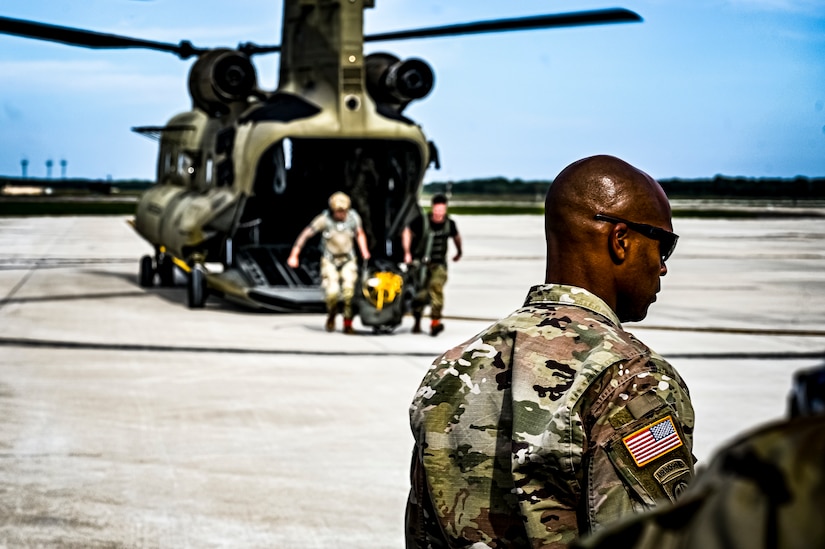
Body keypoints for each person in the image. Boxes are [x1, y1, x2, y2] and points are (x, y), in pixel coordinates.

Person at [405, 155, 695, 549]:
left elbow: (423, 534)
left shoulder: (452, 368)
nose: (662, 267)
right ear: (621, 240)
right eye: (664, 245)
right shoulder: (630, 379)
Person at [287, 191, 371, 334]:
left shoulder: (353, 219)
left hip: (348, 259)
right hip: (330, 259)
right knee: (332, 293)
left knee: (349, 292)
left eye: (344, 211)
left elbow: (359, 233)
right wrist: (294, 254)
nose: (341, 214)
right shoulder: (324, 220)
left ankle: (347, 323)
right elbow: (306, 234)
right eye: (338, 211)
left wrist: (364, 251)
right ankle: (332, 314)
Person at [402, 193, 463, 336]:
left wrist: (459, 252)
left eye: (441, 210)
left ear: (445, 209)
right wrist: (407, 253)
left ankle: (435, 323)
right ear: (433, 208)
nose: (439, 213)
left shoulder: (449, 224)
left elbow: (456, 237)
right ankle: (417, 321)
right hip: (421, 266)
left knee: (436, 290)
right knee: (420, 295)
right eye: (437, 210)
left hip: (438, 265)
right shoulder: (421, 221)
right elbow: (407, 232)